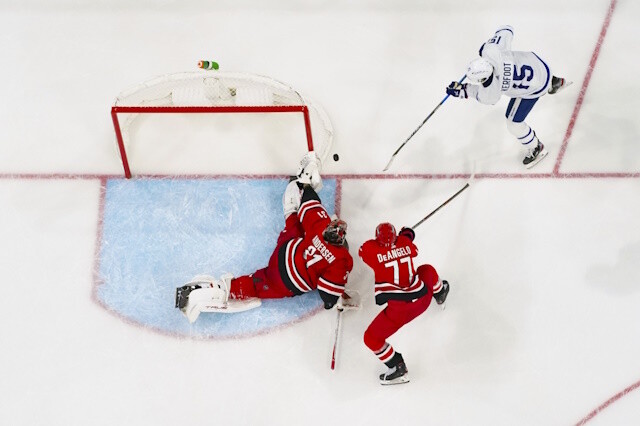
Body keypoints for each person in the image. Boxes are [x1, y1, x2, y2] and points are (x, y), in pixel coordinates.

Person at [175, 152, 354, 322]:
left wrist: (304, 185)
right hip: (285, 279)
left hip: (287, 247)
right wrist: (334, 301)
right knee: (255, 284)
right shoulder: (341, 260)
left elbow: (310, 202)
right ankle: (220, 291)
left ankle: (293, 187)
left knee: (293, 219)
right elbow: (327, 294)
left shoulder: (321, 225)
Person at [445, 25, 571, 168]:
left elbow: (476, 92)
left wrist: (462, 90)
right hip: (540, 65)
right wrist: (488, 45)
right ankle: (554, 81)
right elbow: (507, 29)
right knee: (526, 68)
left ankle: (536, 148)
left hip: (536, 87)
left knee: (513, 123)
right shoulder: (492, 51)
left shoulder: (491, 92)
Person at [358, 222, 449, 385]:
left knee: (371, 338)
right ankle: (440, 292)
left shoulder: (372, 249)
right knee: (426, 270)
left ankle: (397, 366)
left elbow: (362, 251)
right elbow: (408, 239)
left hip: (399, 310)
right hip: (422, 298)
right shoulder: (405, 243)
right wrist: (406, 234)